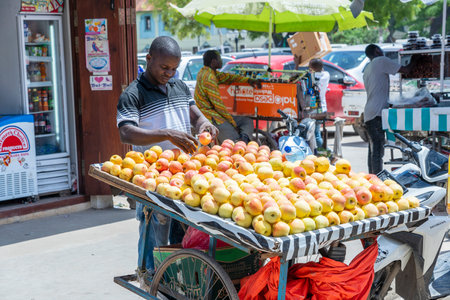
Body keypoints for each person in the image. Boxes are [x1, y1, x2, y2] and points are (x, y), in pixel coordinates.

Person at [116, 36, 218, 289]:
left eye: (174, 68)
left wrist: (204, 123)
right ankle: (152, 282)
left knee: (181, 236)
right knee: (155, 233)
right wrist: (167, 133)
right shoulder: (132, 94)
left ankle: (175, 284)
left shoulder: (179, 86)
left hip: (185, 176)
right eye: (164, 68)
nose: (169, 73)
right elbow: (126, 132)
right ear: (149, 59)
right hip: (153, 178)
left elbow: (195, 116)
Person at [363, 44, 416, 174]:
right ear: (376, 51)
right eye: (381, 50)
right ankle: (377, 178)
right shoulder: (381, 61)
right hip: (376, 113)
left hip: (370, 111)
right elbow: (407, 70)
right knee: (377, 149)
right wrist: (416, 57)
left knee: (373, 149)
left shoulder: (368, 68)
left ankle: (372, 176)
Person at [194, 50, 262, 143]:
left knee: (246, 120)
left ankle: (244, 139)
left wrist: (248, 80)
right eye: (219, 59)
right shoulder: (208, 78)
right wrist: (233, 123)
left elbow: (227, 77)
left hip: (216, 114)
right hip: (211, 117)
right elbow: (219, 106)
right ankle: (239, 144)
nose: (221, 61)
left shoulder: (206, 72)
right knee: (232, 143)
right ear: (214, 61)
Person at [308, 58, 330, 150]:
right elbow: (321, 70)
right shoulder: (326, 75)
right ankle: (323, 153)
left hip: (314, 108)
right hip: (322, 107)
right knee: (317, 132)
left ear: (311, 67)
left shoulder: (310, 76)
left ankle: (328, 153)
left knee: (316, 134)